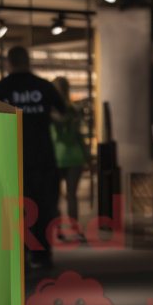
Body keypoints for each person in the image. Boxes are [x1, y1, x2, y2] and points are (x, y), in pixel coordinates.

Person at [0, 46, 66, 267]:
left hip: (10, 158)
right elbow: (62, 111)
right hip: (42, 157)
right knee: (43, 208)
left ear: (9, 63)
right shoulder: (44, 87)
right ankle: (42, 255)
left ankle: (19, 256)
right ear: (28, 61)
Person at [51, 76, 88, 232]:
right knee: (72, 195)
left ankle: (59, 229)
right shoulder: (74, 110)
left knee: (55, 196)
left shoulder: (50, 111)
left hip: (56, 156)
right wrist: (87, 157)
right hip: (75, 156)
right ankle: (75, 229)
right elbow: (80, 136)